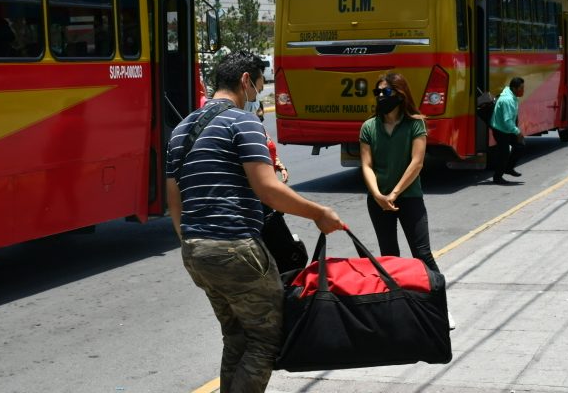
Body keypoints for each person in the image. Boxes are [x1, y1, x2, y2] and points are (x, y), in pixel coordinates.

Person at [165, 51, 345, 393]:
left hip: (195, 250)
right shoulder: (243, 121)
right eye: (259, 87)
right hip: (236, 248)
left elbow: (175, 200)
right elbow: (267, 189)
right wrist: (319, 214)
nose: (257, 97)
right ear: (246, 80)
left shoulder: (182, 129)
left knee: (235, 337)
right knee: (266, 339)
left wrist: (195, 243)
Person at [359, 71, 454, 330]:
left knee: (422, 254)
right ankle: (398, 309)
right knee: (389, 257)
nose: (380, 97)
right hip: (378, 201)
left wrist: (395, 193)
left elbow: (417, 162)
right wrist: (378, 195)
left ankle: (440, 307)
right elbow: (366, 165)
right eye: (377, 93)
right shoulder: (369, 127)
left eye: (386, 92)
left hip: (409, 198)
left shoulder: (415, 124)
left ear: (400, 95)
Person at [489, 77, 525, 185]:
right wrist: (517, 132)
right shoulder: (508, 100)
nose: (523, 90)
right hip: (501, 130)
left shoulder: (511, 96)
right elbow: (507, 120)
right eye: (521, 88)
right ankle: (497, 177)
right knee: (504, 154)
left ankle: (508, 168)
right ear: (514, 88)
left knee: (520, 146)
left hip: (506, 129)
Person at [255, 101, 288, 183]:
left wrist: (281, 168)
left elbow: (271, 152)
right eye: (254, 112)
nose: (257, 114)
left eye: (259, 110)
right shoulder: (250, 135)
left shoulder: (263, 131)